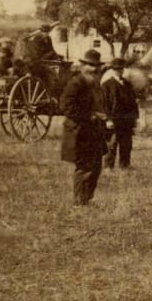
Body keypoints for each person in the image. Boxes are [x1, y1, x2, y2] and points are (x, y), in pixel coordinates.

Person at [59, 49, 110, 204]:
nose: (94, 69)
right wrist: (90, 115)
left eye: (96, 66)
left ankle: (87, 199)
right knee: (84, 167)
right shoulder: (75, 83)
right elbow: (66, 107)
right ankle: (79, 202)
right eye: (90, 65)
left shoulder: (95, 84)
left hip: (94, 131)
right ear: (82, 66)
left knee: (96, 167)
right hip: (79, 132)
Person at [101, 55, 141, 170]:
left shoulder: (127, 84)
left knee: (126, 144)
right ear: (112, 70)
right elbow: (104, 104)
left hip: (127, 119)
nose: (120, 71)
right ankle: (108, 166)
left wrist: (135, 118)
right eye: (117, 69)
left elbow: (133, 102)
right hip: (114, 119)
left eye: (121, 69)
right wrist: (107, 119)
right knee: (112, 143)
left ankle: (125, 165)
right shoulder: (106, 85)